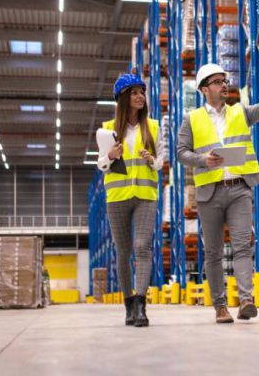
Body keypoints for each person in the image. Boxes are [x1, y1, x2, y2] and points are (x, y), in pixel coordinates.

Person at [177, 59, 259, 323]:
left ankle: (246, 300)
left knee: (243, 246)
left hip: (239, 188)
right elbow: (181, 152)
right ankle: (220, 306)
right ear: (204, 89)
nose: (223, 86)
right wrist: (202, 159)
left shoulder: (239, 112)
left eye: (224, 81)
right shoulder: (192, 120)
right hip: (209, 193)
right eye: (218, 82)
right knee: (214, 252)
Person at [96, 71, 165, 327]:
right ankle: (128, 306)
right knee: (123, 252)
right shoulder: (107, 130)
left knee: (142, 246)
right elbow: (101, 165)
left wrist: (152, 161)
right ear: (123, 98)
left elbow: (160, 164)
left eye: (142, 92)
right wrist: (111, 156)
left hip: (146, 196)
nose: (140, 97)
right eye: (134, 92)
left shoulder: (154, 127)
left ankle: (141, 305)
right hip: (117, 197)